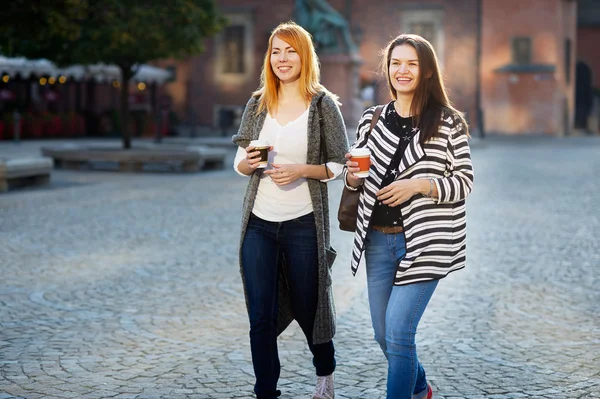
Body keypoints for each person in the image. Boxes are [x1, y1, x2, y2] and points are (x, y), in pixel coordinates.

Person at [343, 34, 474, 399]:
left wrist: (419, 185)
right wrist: (351, 175)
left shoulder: (448, 122)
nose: (402, 70)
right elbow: (353, 174)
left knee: (400, 334)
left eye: (411, 64)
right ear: (387, 69)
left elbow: (464, 182)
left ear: (427, 71)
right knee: (383, 335)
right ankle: (420, 388)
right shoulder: (371, 119)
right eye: (396, 63)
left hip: (426, 243)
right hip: (377, 242)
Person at [231, 21, 349, 399]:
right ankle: (265, 390)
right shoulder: (258, 102)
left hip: (303, 224)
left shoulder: (323, 105)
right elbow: (239, 162)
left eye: (290, 51)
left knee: (308, 305)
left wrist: (301, 170)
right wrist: (249, 161)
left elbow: (338, 165)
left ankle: (324, 373)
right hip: (259, 224)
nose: (282, 59)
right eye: (276, 51)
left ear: (304, 56)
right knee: (260, 314)